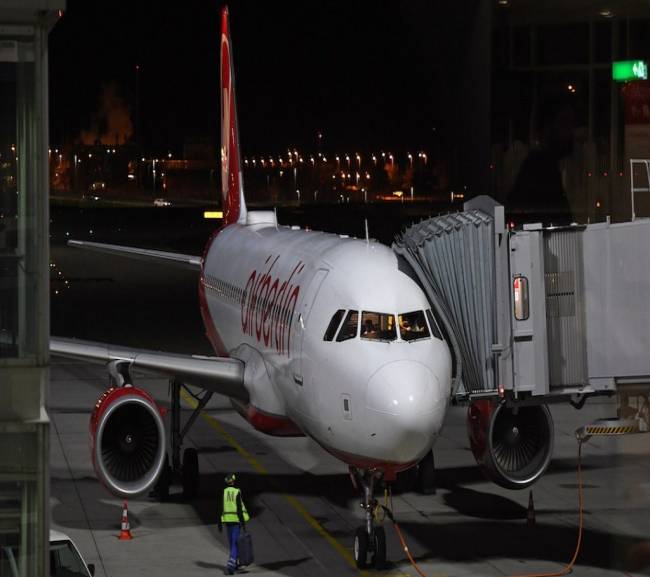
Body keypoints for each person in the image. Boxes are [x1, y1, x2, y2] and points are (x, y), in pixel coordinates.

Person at [217, 473, 250, 575]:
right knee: (235, 543)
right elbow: (239, 509)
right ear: (233, 481)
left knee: (232, 542)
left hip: (227, 521)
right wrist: (243, 523)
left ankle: (234, 563)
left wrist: (219, 523)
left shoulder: (224, 492)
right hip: (236, 521)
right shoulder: (237, 492)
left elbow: (220, 507)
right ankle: (231, 564)